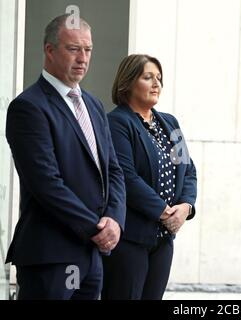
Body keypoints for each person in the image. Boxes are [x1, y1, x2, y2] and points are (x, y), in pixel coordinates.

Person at [5, 14, 126, 300]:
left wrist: (115, 220)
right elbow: (46, 183)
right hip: (51, 254)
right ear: (50, 50)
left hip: (92, 255)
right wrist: (95, 227)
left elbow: (113, 170)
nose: (83, 57)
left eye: (88, 49)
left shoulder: (94, 105)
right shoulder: (28, 107)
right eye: (74, 49)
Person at [102, 54, 197, 300]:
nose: (156, 84)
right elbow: (126, 177)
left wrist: (185, 207)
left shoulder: (169, 122)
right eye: (148, 77)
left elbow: (188, 170)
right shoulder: (117, 123)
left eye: (159, 78)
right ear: (128, 83)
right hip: (131, 239)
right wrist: (166, 213)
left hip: (164, 240)